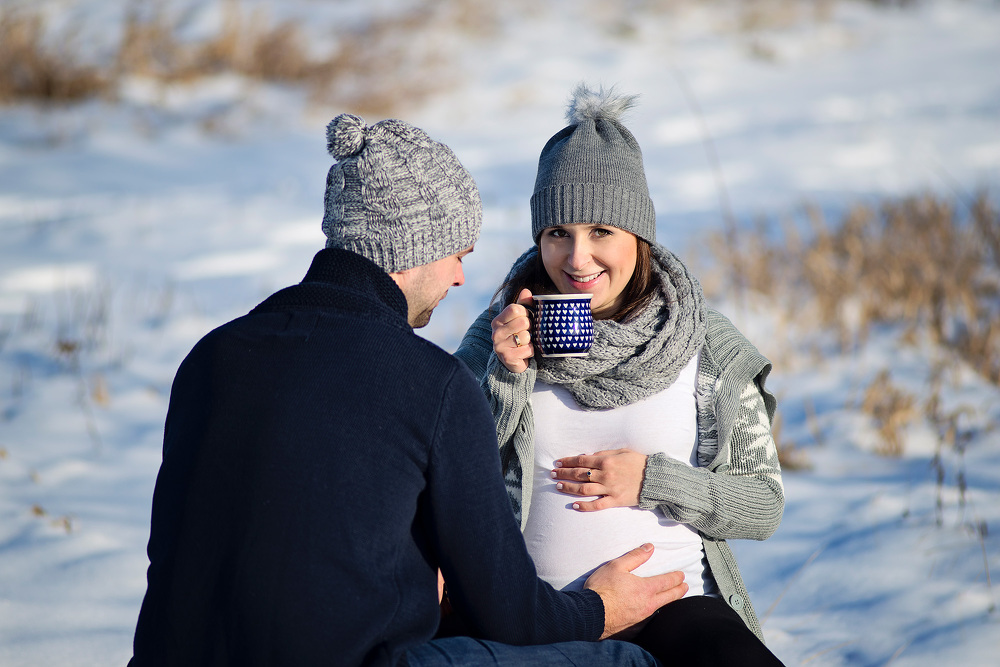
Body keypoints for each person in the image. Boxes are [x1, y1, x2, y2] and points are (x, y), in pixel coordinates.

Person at [127, 112, 689, 667]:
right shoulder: (429, 383)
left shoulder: (213, 355)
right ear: (413, 250)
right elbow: (512, 615)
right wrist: (598, 609)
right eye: (458, 255)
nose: (460, 278)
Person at [454, 84, 786, 666]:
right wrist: (505, 379)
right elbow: (448, 482)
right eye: (559, 233)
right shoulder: (497, 335)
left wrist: (655, 481)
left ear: (639, 233)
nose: (577, 259)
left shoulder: (705, 343)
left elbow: (761, 504)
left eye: (601, 231)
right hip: (533, 614)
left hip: (675, 610)